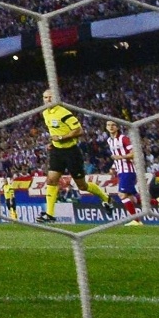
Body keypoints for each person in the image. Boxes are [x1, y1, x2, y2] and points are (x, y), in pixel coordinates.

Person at [38, 89, 107, 222]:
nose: (47, 100)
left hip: (71, 152)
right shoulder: (45, 113)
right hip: (57, 152)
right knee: (51, 180)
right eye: (45, 97)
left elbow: (79, 130)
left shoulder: (63, 112)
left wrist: (61, 138)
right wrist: (53, 143)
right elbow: (54, 131)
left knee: (82, 186)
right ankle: (50, 215)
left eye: (50, 97)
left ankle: (105, 197)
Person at [104, 119, 141, 225]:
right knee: (132, 198)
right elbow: (116, 156)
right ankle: (158, 201)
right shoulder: (109, 141)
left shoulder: (123, 138)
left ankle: (136, 220)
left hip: (128, 170)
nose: (110, 127)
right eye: (108, 125)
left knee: (122, 195)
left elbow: (133, 153)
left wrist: (120, 157)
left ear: (118, 127)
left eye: (113, 125)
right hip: (121, 171)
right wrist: (113, 167)